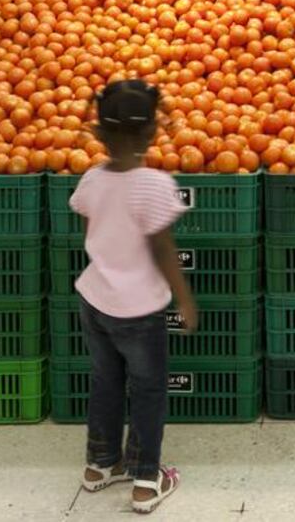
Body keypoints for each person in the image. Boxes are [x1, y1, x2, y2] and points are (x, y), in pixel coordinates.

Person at [69, 79, 197, 515]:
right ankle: (146, 480)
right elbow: (163, 249)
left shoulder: (90, 179)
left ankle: (98, 466)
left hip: (94, 300)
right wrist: (184, 299)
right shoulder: (155, 185)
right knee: (148, 390)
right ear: (152, 133)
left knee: (106, 381)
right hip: (139, 310)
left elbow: (90, 235)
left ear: (100, 134)